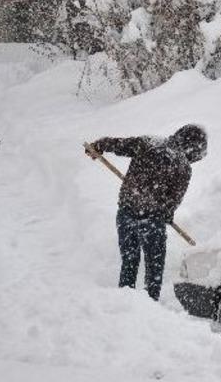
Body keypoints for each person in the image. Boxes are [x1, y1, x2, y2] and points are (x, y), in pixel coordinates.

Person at [85, 124, 207, 300]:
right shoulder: (183, 167)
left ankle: (124, 302)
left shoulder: (149, 142)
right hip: (152, 221)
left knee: (129, 261)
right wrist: (166, 213)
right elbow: (172, 201)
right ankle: (150, 306)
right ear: (193, 148)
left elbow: (119, 144)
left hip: (126, 213)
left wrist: (99, 145)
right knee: (154, 269)